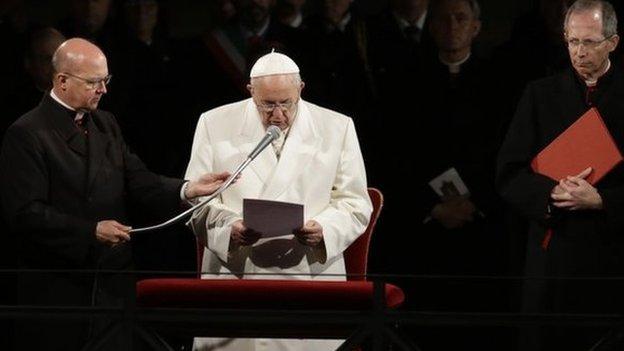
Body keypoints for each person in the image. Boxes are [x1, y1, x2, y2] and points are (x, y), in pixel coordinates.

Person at [0, 38, 230, 351]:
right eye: (94, 82)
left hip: (113, 283)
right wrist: (90, 231)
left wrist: (186, 188)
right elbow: (25, 213)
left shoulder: (106, 124)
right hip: (60, 286)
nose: (104, 90)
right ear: (62, 81)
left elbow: (138, 181)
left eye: (106, 80)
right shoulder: (27, 133)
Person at [185, 51, 372, 351]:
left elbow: (356, 203)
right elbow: (197, 203)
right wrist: (229, 227)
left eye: (286, 103)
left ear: (300, 89)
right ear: (250, 92)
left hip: (308, 276)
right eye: (267, 105)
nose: (278, 116)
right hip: (238, 276)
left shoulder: (337, 127)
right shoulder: (213, 123)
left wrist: (324, 229)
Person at [496, 1, 624, 350]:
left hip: (612, 254)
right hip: (554, 253)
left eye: (590, 42)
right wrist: (553, 195)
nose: (579, 52)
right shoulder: (539, 95)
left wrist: (601, 200)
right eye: (572, 42)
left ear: (612, 42)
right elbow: (509, 173)